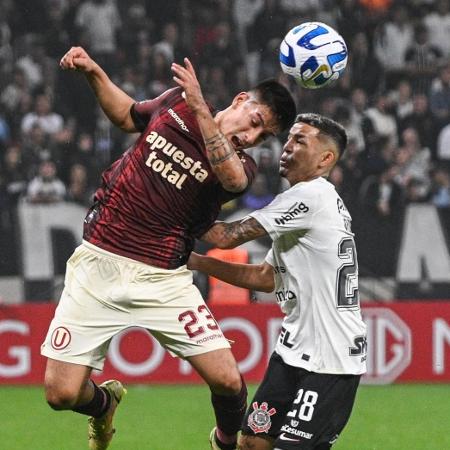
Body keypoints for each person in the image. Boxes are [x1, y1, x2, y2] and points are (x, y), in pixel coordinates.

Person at [40, 45, 296, 450]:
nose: (252, 136)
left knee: (228, 380)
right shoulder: (176, 103)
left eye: (263, 135)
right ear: (241, 100)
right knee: (61, 394)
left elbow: (229, 179)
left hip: (162, 276)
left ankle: (225, 441)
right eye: (256, 122)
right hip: (98, 263)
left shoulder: (243, 165)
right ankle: (104, 403)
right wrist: (93, 72)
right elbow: (127, 115)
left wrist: (199, 108)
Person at [188, 113, 367, 450]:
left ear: (325, 159)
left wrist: (174, 204)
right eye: (289, 138)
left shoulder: (311, 196)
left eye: (301, 141)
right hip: (293, 349)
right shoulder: (307, 204)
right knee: (252, 443)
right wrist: (197, 261)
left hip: (331, 356)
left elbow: (226, 236)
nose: (287, 146)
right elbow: (264, 277)